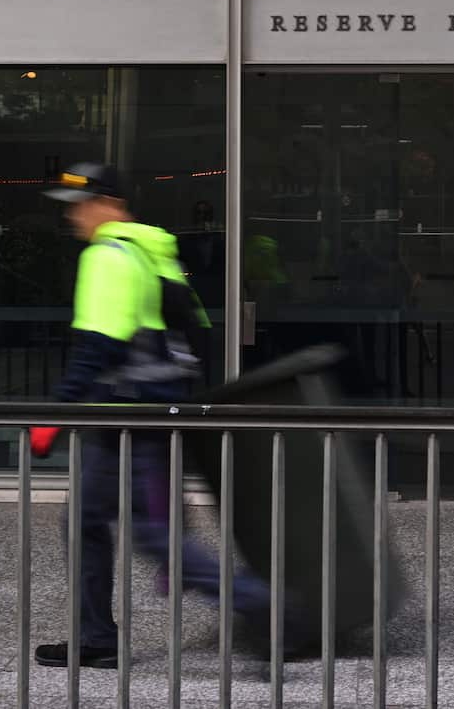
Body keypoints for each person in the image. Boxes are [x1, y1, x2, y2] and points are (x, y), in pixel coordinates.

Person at [31, 162, 271, 669]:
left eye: (80, 205)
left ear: (108, 204)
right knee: (100, 524)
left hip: (122, 414)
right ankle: (95, 636)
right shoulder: (151, 252)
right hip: (149, 409)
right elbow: (197, 329)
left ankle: (267, 610)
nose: (74, 217)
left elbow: (97, 343)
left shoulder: (108, 257)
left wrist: (54, 413)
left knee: (141, 534)